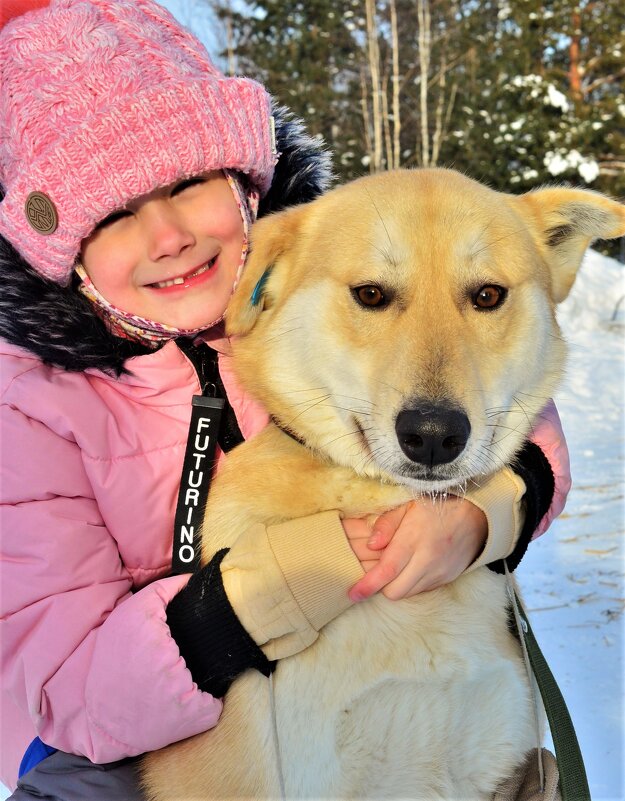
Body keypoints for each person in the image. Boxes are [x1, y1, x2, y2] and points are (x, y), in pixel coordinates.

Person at [0, 1, 570, 798]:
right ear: (67, 252)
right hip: (112, 727)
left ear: (241, 182)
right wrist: (273, 581)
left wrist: (485, 511)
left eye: (187, 181)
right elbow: (63, 681)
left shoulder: (306, 278)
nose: (168, 234)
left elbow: (506, 408)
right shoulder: (32, 405)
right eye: (116, 213)